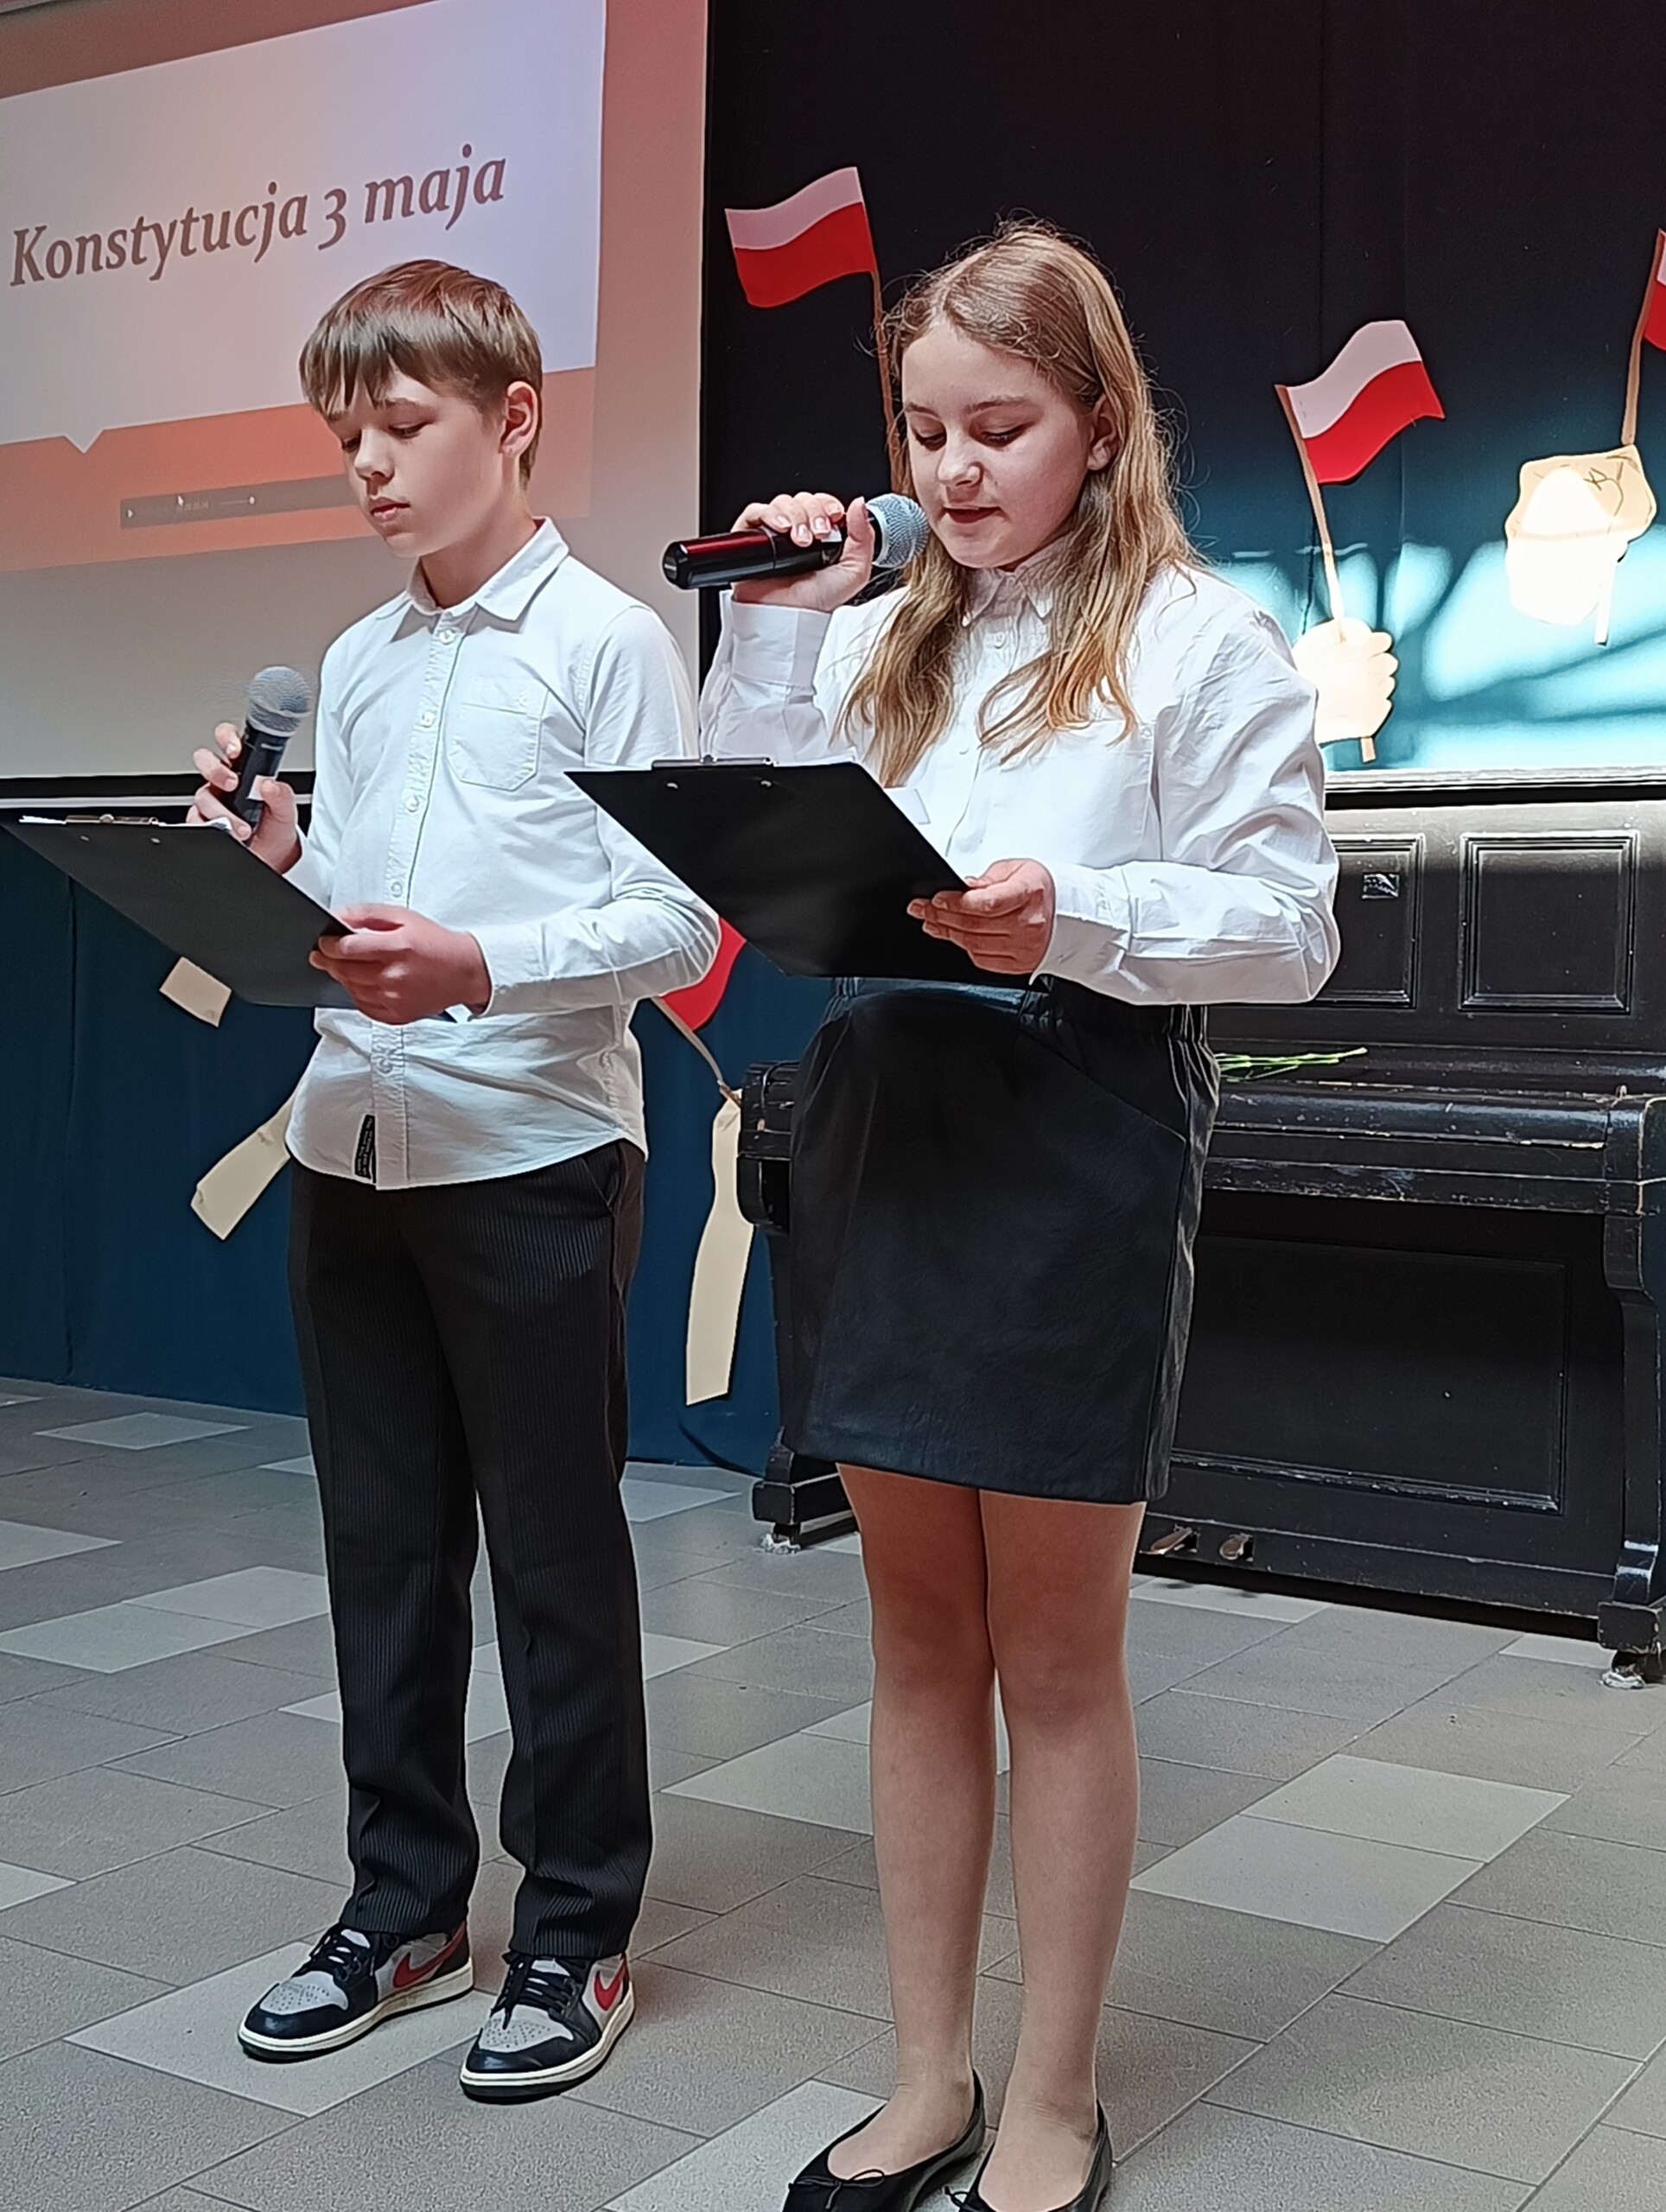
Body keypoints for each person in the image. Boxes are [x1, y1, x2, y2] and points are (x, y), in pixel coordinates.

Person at [702, 222, 1338, 2212]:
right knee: (912, 1636)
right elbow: (745, 840)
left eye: (1000, 427)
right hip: (887, 1126)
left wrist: (1078, 914)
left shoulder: (1197, 636)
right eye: (924, 431)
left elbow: (1292, 930)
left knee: (1054, 1651)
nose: (955, 468)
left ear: (1100, 422)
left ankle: (1052, 2091)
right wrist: (778, 620)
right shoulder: (880, 629)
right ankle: (925, 2073)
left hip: (1074, 1128)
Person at [188, 259, 717, 2101]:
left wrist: (480, 965)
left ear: (515, 417)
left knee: (554, 1562)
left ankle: (575, 1930)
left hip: (530, 1149)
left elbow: (679, 925)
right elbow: (358, 913)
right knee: (382, 1553)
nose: (369, 464)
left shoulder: (608, 642)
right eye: (347, 432)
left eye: (403, 425)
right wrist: (282, 860)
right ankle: (404, 1906)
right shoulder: (354, 660)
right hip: (350, 1141)